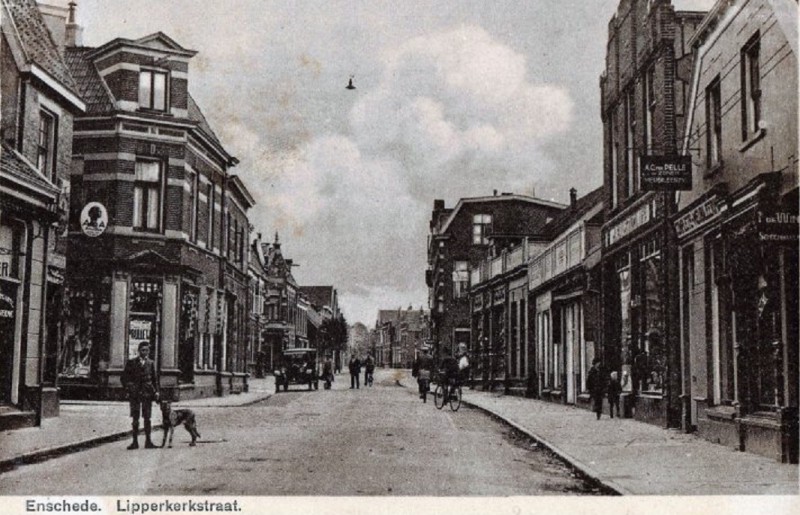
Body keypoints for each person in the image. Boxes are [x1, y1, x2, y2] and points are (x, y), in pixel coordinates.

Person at [121, 341, 160, 449]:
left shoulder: (151, 363)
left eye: (147, 350)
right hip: (135, 394)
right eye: (143, 350)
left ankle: (148, 441)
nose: (145, 352)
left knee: (147, 418)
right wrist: (129, 388)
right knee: (135, 418)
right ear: (139, 351)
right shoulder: (131, 362)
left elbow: (154, 379)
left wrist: (156, 392)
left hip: (147, 394)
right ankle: (135, 442)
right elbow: (124, 378)